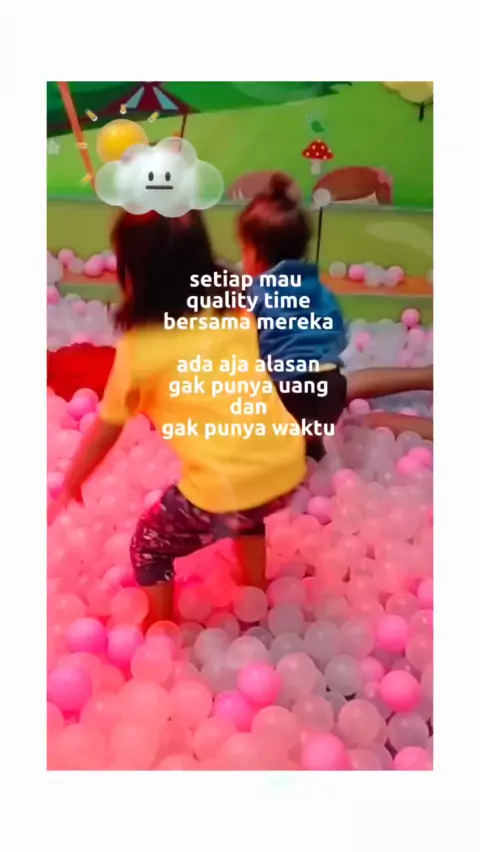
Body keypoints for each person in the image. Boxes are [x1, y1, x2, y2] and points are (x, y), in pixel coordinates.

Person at [48, 210, 306, 624]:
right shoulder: (235, 311)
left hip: (226, 489)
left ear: (134, 276)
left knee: (149, 545)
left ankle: (161, 626)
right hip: (286, 466)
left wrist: (73, 481)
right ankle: (256, 590)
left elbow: (107, 427)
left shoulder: (140, 350)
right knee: (249, 510)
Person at [237, 172, 433, 459]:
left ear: (254, 253)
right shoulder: (319, 289)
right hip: (329, 389)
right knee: (326, 391)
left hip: (289, 400)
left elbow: (241, 348)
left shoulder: (254, 294)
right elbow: (339, 335)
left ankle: (304, 444)